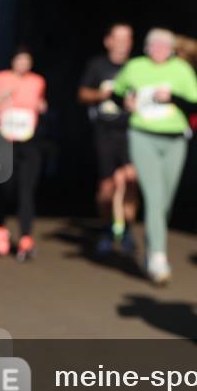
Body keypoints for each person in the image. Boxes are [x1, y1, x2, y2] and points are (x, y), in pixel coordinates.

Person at [112, 28, 197, 284]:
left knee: (165, 200)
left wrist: (171, 97)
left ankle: (152, 248)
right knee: (154, 195)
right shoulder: (135, 67)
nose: (159, 50)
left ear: (172, 49)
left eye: (164, 46)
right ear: (146, 47)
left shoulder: (182, 70)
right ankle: (158, 257)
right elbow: (117, 93)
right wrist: (126, 102)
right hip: (143, 135)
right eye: (154, 45)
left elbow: (196, 103)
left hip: (174, 139)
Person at [0, 48, 47, 262]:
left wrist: (41, 106)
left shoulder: (37, 81)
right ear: (12, 61)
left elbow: (41, 104)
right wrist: (0, 98)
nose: (23, 64)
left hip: (29, 141)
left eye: (27, 60)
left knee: (26, 190)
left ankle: (26, 238)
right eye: (20, 59)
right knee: (6, 187)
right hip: (4, 141)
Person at [78, 23, 139, 255]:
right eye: (118, 38)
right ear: (108, 41)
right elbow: (82, 94)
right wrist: (102, 94)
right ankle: (106, 228)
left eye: (128, 38)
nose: (123, 43)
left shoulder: (137, 67)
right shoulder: (97, 66)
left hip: (132, 131)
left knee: (131, 181)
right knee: (107, 187)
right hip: (105, 132)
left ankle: (126, 230)